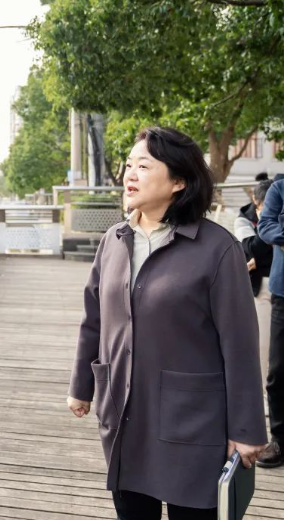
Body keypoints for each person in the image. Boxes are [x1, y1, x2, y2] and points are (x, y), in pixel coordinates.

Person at [67, 127, 267, 519]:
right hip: (125, 416)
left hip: (193, 425)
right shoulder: (114, 240)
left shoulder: (217, 249)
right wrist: (82, 386)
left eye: (144, 165)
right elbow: (94, 319)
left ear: (179, 181)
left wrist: (246, 429)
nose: (130, 174)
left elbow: (240, 345)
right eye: (129, 165)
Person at [255, 177, 284, 468]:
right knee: (277, 371)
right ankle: (279, 439)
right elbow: (266, 228)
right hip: (282, 293)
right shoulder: (279, 188)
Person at [235, 180, 273, 383]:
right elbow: (250, 249)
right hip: (260, 291)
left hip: (279, 284)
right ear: (255, 202)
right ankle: (261, 400)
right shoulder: (244, 219)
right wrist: (268, 224)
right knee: (261, 347)